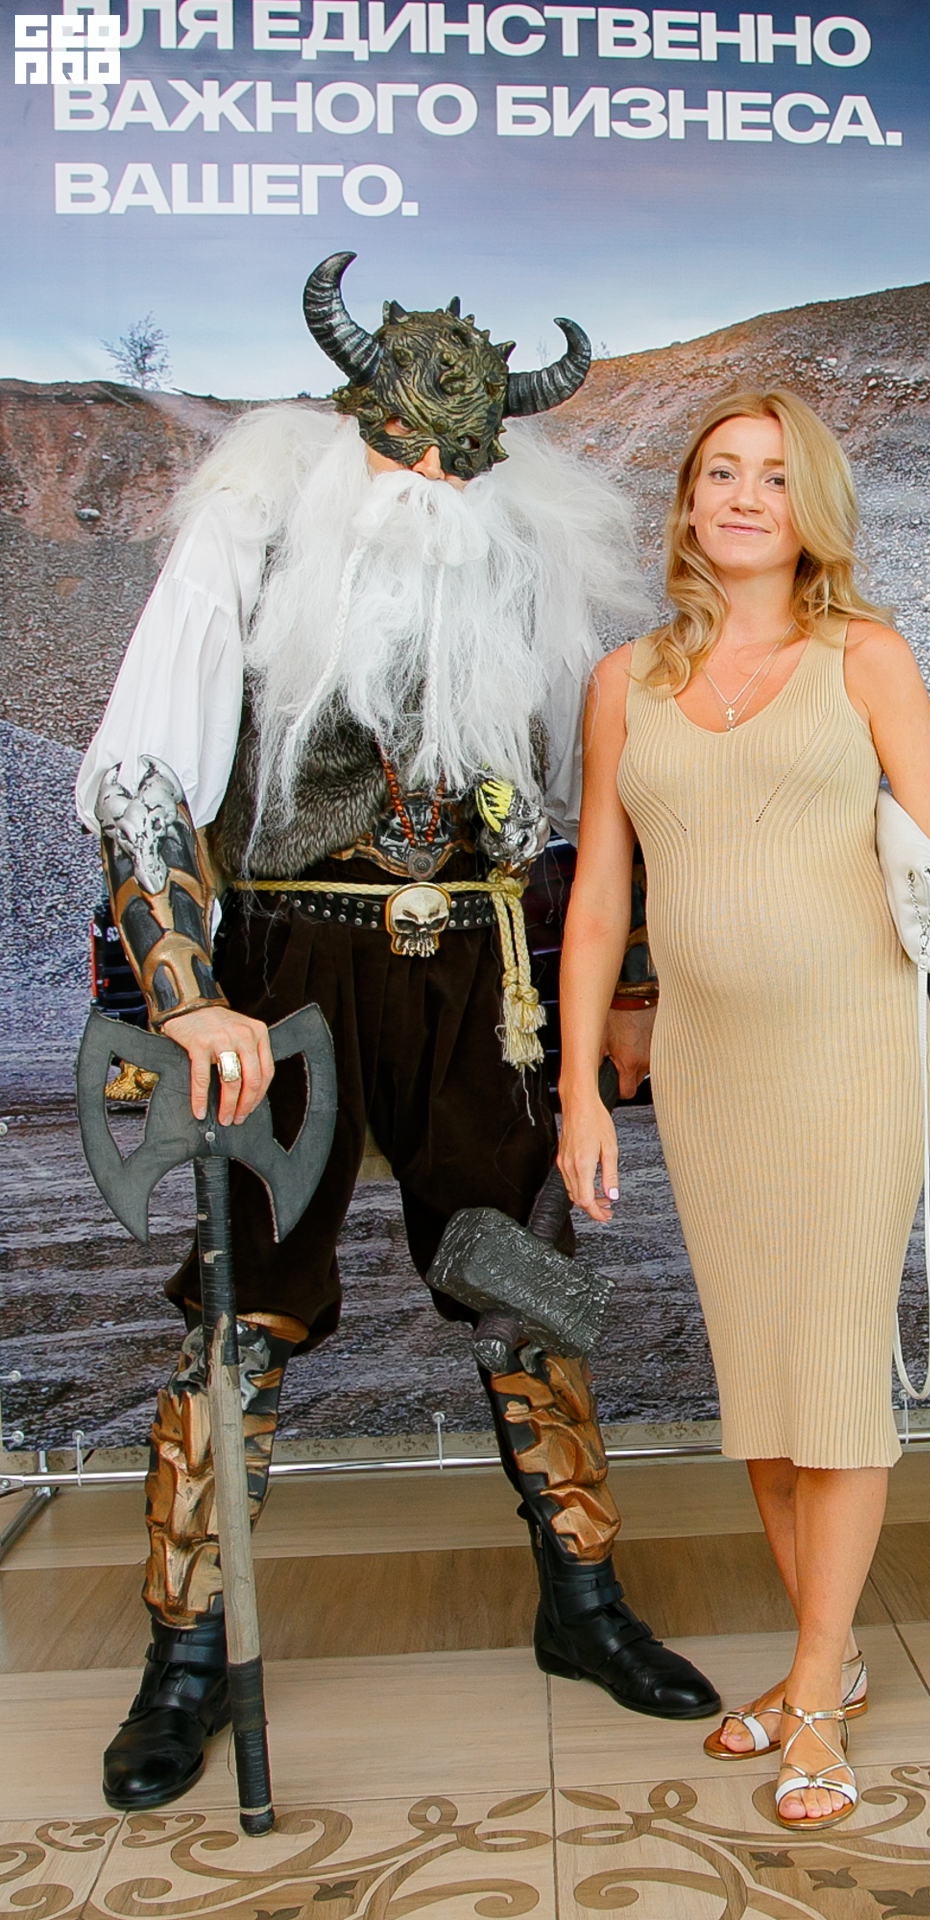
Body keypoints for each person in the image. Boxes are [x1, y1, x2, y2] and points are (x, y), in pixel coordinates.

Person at [76, 252, 720, 1815]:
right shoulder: (260, 521)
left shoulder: (514, 554)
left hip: (479, 969)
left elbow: (579, 801)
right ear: (356, 414)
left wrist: (627, 981)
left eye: (462, 454)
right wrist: (189, 993)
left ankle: (581, 1602)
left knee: (520, 1276)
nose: (433, 478)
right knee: (245, 1302)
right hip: (284, 969)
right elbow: (147, 771)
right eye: (408, 444)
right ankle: (184, 1654)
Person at [557, 389, 930, 1831]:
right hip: (709, 1075)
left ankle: (817, 1690)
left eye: (774, 476)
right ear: (688, 504)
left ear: (809, 506)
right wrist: (578, 1087)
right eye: (721, 472)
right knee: (765, 1385)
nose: (746, 496)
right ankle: (829, 1654)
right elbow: (599, 901)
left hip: (850, 1061)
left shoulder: (864, 657)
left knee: (831, 1374)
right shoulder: (623, 682)